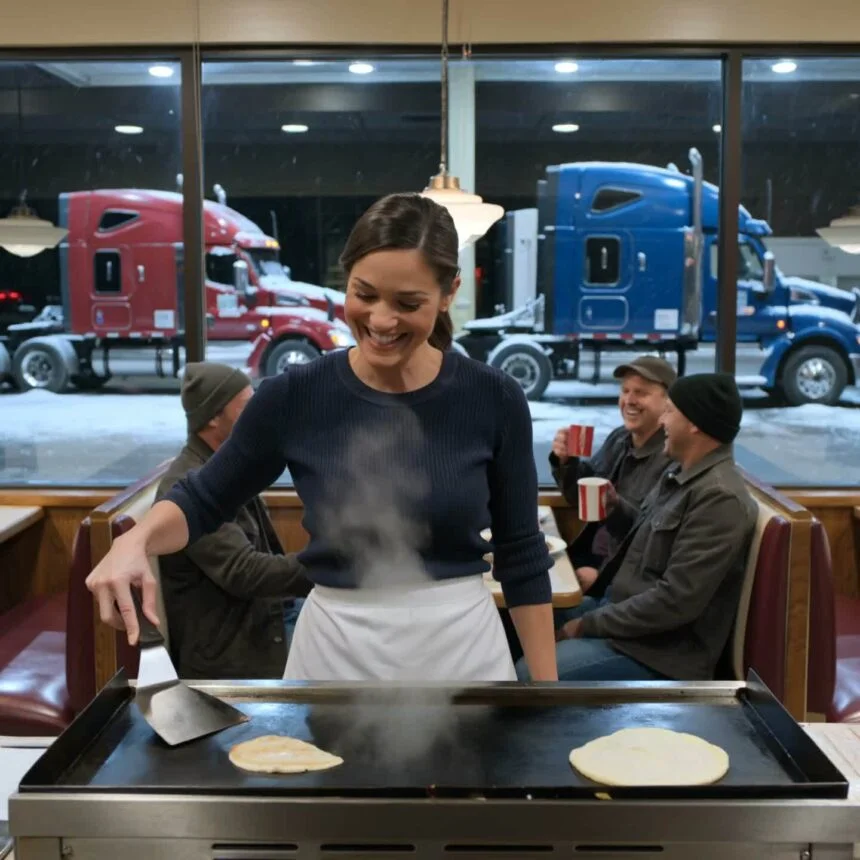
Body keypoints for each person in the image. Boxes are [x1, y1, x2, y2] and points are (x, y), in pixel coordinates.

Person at [86, 193, 557, 683]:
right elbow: (203, 499)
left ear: (448, 293)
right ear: (345, 279)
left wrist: (549, 697)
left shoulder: (493, 396)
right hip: (338, 649)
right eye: (365, 294)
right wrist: (135, 540)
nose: (380, 321)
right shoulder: (295, 394)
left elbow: (522, 555)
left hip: (462, 649)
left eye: (408, 303)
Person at [520, 372, 757, 682]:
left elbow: (676, 602)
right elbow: (650, 537)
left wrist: (584, 625)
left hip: (659, 653)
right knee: (520, 616)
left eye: (670, 411)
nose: (663, 422)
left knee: (528, 674)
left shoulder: (720, 498)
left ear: (696, 423)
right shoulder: (680, 473)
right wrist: (617, 508)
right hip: (622, 616)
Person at [156, 362, 310, 679]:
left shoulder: (226, 469)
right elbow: (245, 573)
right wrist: (331, 566)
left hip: (264, 617)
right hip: (233, 651)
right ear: (213, 417)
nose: (258, 415)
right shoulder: (186, 487)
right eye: (247, 406)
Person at [549, 355, 676, 594]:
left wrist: (601, 575)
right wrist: (566, 462)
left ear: (668, 401)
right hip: (588, 557)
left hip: (615, 579)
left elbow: (651, 541)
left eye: (641, 393)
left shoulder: (671, 457)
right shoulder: (620, 438)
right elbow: (580, 498)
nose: (629, 400)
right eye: (625, 390)